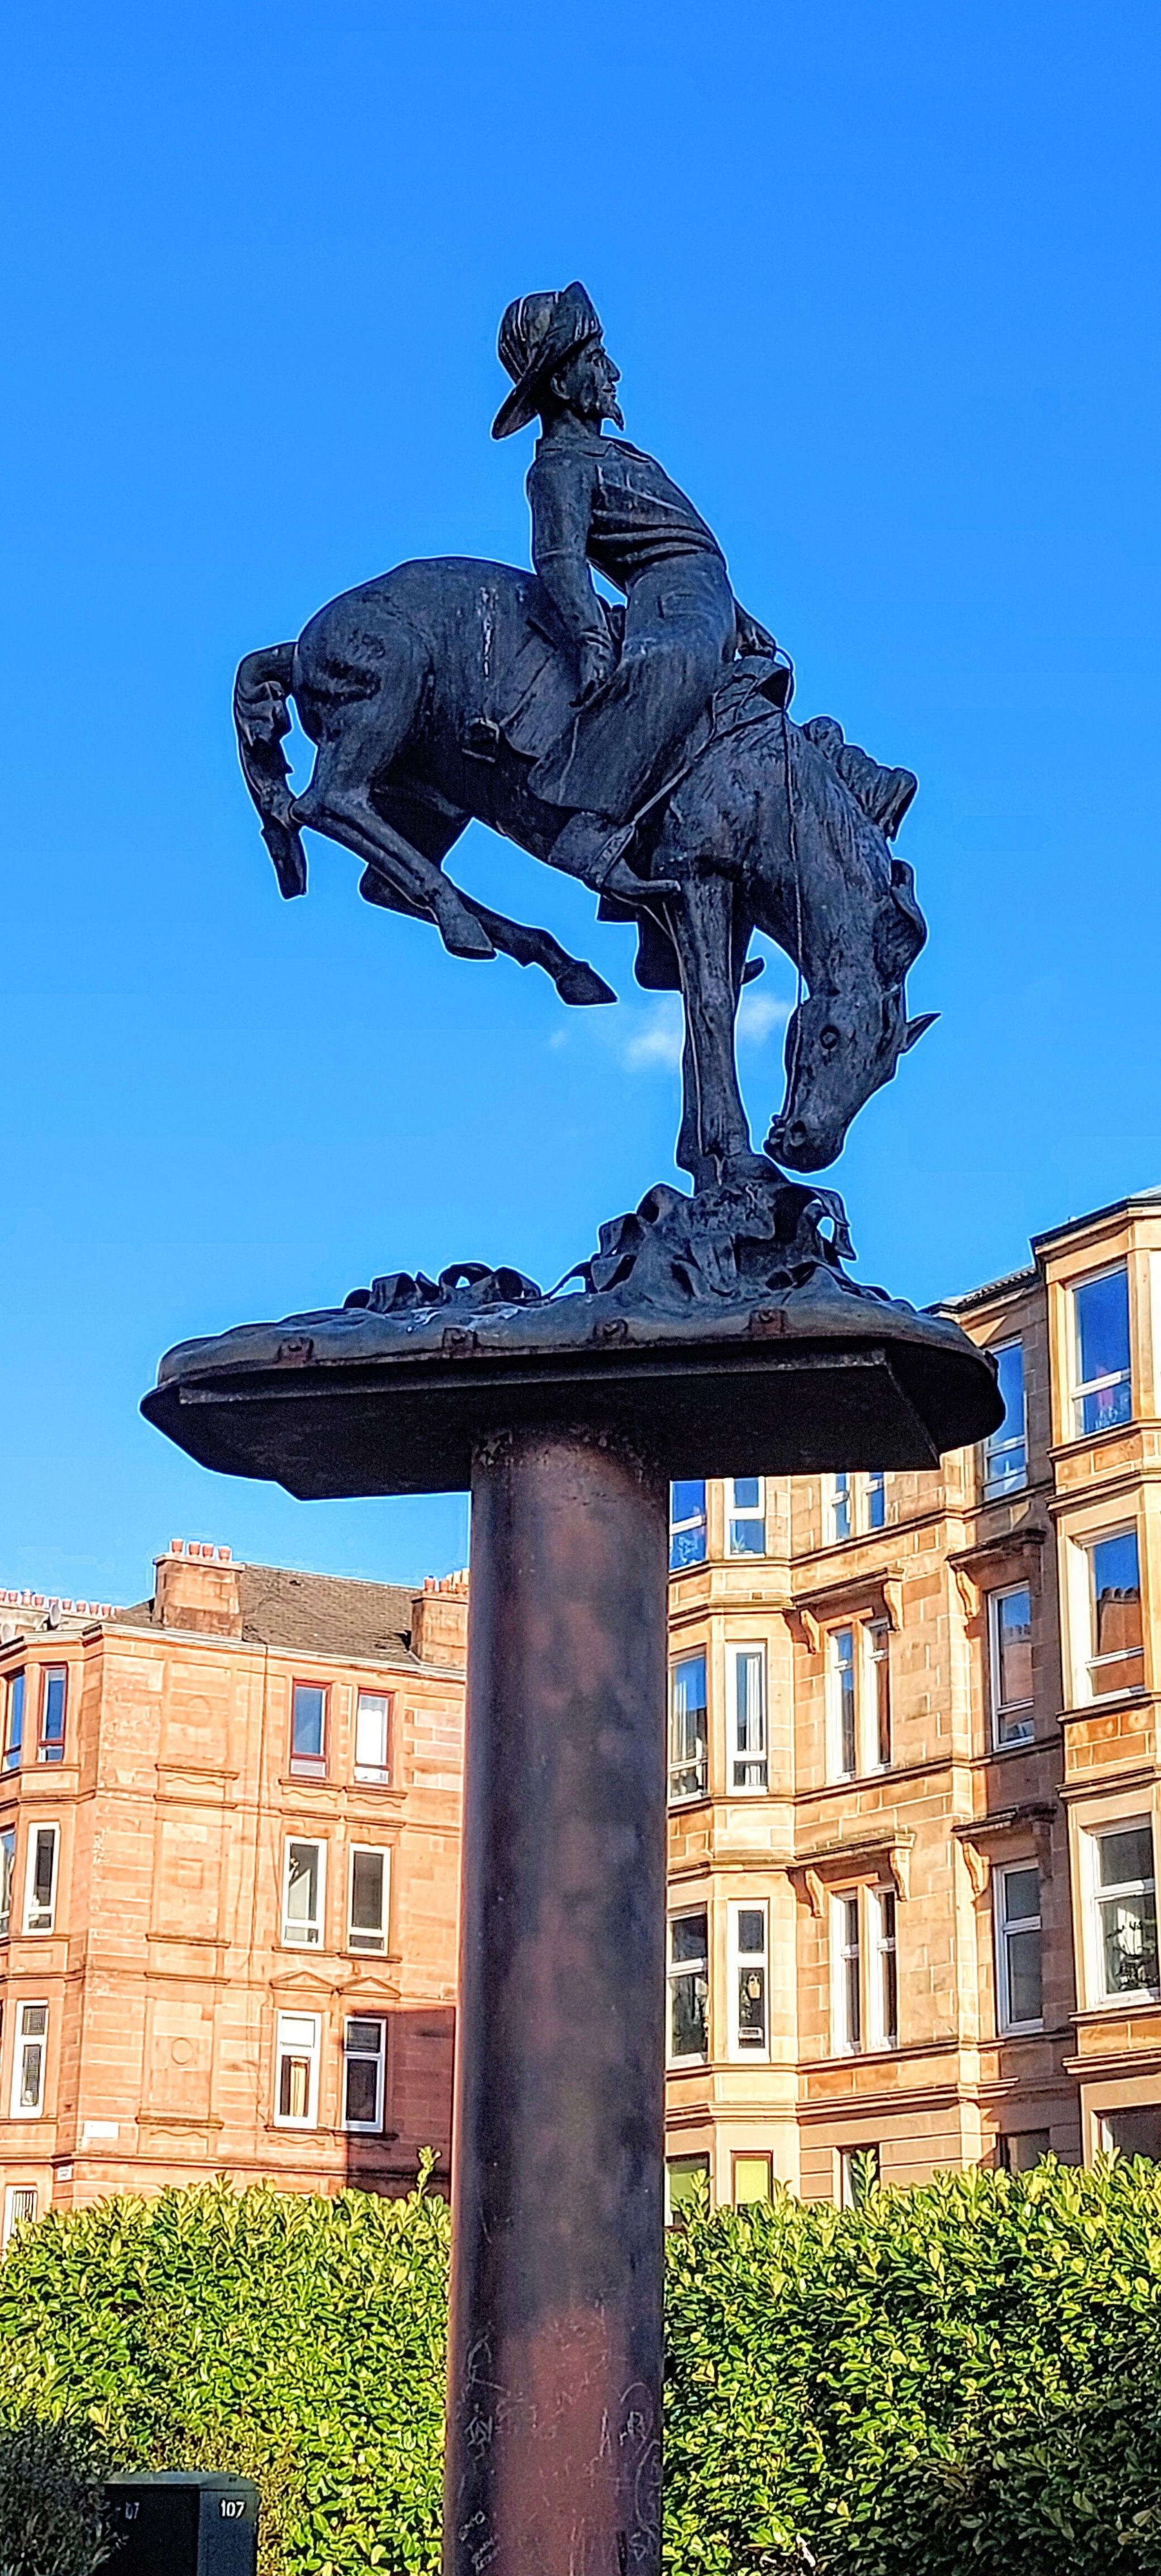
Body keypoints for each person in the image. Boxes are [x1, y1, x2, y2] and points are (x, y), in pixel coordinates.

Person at [493, 282, 775, 901]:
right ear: (563, 384)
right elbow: (558, 558)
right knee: (669, 668)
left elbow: (684, 533)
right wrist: (591, 635)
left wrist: (735, 610)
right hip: (669, 599)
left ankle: (661, 915)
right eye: (596, 360)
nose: (612, 371)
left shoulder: (621, 453)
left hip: (706, 595)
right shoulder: (558, 468)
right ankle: (587, 829)